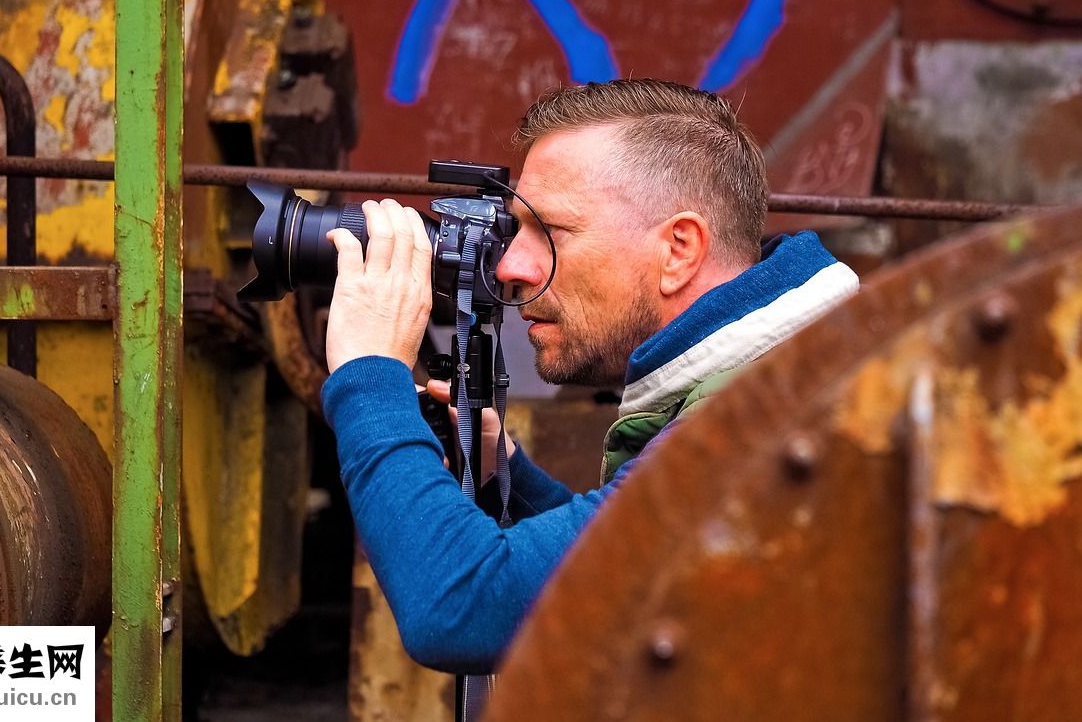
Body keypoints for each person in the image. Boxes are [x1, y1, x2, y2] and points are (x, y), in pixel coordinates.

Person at [321, 79, 859, 674]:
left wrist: (370, 373)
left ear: (679, 250)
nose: (510, 266)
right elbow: (626, 578)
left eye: (550, 231)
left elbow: (457, 608)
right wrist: (510, 480)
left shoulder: (765, 426)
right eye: (515, 231)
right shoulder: (785, 377)